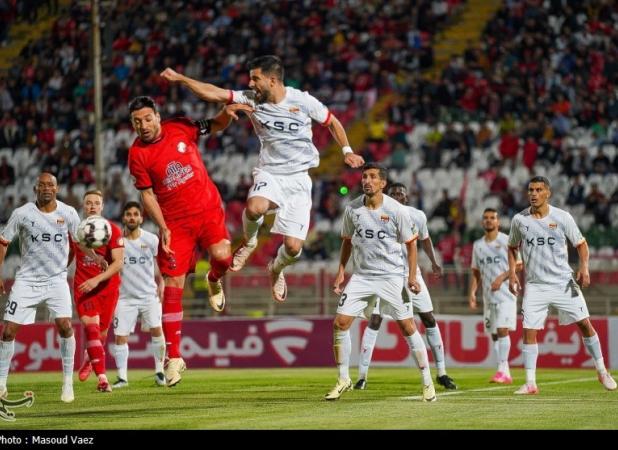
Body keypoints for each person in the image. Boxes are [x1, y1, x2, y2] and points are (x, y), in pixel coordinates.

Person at [160, 55, 364, 304]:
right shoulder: (250, 98)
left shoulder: (302, 100)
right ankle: (250, 242)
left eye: (255, 78)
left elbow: (332, 122)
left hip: (299, 179)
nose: (251, 82)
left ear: (272, 80)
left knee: (292, 248)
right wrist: (181, 79)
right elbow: (214, 93)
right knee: (255, 207)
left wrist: (347, 151)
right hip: (270, 172)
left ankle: (276, 269)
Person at [128, 96, 251, 386]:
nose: (143, 125)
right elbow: (147, 195)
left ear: (157, 116)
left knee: (223, 259)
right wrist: (163, 227)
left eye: (147, 119)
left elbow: (214, 125)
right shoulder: (137, 154)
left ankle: (213, 278)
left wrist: (224, 113)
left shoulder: (181, 127)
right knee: (173, 284)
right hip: (175, 225)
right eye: (136, 122)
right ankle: (174, 358)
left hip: (208, 210)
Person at [327, 164, 436, 402]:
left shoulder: (397, 210)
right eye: (364, 176)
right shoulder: (353, 208)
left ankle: (427, 382)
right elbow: (347, 241)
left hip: (391, 277)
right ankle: (343, 378)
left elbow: (411, 244)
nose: (367, 180)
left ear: (382, 183)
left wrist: (411, 278)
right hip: (362, 276)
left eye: (373, 177)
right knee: (340, 323)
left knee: (408, 327)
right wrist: (341, 272)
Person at [507, 176, 617, 395]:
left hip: (563, 282)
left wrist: (584, 267)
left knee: (585, 324)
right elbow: (512, 247)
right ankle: (530, 383)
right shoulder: (519, 220)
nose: (533, 194)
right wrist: (512, 274)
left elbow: (581, 244)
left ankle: (602, 371)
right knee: (529, 331)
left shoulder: (562, 217)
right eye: (531, 190)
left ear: (548, 193)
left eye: (539, 190)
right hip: (535, 285)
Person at [355, 183, 457, 391]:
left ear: (406, 198)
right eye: (393, 194)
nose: (397, 196)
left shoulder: (417, 216)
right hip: (385, 276)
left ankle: (442, 373)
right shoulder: (375, 214)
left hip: (412, 275)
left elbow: (425, 240)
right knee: (375, 320)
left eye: (400, 194)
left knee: (428, 318)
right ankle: (362, 376)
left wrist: (434, 262)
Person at [0, 173, 81, 403]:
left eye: (51, 185)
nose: (47, 188)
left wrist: (91, 259)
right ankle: (1, 383)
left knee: (65, 327)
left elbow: (78, 244)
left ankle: (67, 383)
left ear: (57, 189)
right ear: (35, 188)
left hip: (56, 281)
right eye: (42, 185)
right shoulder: (22, 213)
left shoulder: (68, 213)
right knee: (7, 332)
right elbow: (3, 241)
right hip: (26, 281)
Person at [74, 190, 124, 393]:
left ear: (102, 207)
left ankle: (90, 357)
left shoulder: (112, 230)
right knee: (91, 329)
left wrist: (97, 279)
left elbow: (118, 263)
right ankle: (103, 379)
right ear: (83, 206)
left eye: (96, 203)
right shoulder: (76, 231)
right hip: (84, 287)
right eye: (88, 203)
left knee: (101, 336)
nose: (92, 206)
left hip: (108, 288)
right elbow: (67, 255)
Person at [112, 201, 166, 388]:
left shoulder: (151, 239)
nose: (132, 217)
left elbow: (161, 266)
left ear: (141, 218)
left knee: (157, 330)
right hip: (125, 297)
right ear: (124, 218)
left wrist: (162, 283)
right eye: (129, 214)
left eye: (136, 214)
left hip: (149, 295)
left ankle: (160, 372)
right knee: (120, 336)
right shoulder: (118, 241)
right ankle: (122, 378)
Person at [469, 208, 521, 384]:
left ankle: (502, 369)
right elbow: (476, 271)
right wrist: (472, 292)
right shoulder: (478, 245)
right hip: (488, 297)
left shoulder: (507, 241)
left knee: (502, 329)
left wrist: (502, 277)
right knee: (493, 333)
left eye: (492, 218)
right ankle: (504, 370)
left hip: (506, 293)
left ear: (498, 222)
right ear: (482, 222)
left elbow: (519, 264)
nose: (489, 220)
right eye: (486, 218)